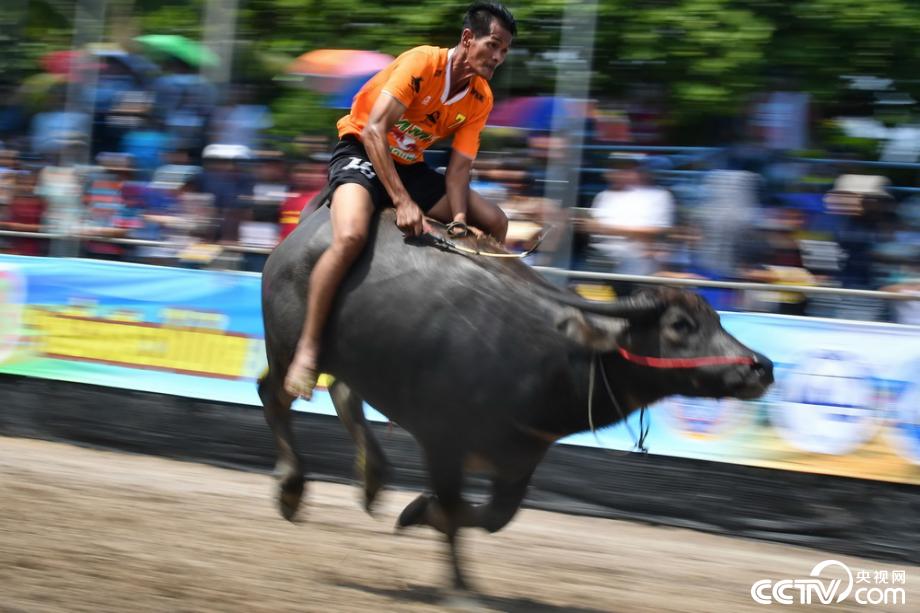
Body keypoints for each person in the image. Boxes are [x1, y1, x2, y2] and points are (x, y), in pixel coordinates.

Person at [284, 2, 516, 399]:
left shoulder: (481, 97)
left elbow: (459, 169)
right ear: (467, 38)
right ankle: (307, 349)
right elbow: (374, 131)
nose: (498, 57)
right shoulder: (421, 63)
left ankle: (475, 331)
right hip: (361, 151)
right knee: (350, 237)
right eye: (493, 45)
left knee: (495, 221)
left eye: (505, 50)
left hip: (409, 165)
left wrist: (460, 219)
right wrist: (403, 202)